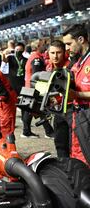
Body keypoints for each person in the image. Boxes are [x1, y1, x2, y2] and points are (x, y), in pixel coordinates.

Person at [63, 24, 90, 165]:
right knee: (78, 157)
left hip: (87, 115)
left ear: (81, 39)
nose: (67, 48)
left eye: (69, 44)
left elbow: (78, 92)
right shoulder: (78, 62)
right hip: (79, 115)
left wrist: (77, 94)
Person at [21, 39, 54, 139]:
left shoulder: (34, 57)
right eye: (43, 44)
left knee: (31, 110)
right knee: (39, 109)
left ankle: (27, 131)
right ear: (38, 46)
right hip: (35, 88)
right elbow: (37, 75)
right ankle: (48, 132)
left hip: (30, 87)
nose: (45, 45)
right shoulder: (37, 59)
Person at [46, 40, 71, 158]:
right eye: (52, 53)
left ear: (64, 53)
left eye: (58, 52)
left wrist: (58, 99)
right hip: (58, 113)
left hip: (72, 111)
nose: (55, 56)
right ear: (48, 53)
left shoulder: (71, 68)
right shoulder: (49, 67)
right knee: (60, 144)